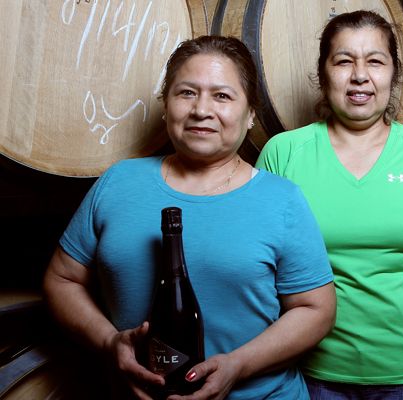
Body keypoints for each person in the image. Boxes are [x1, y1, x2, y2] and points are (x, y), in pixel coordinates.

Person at [42, 36, 336, 400]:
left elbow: (316, 310)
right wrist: (108, 342)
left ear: (250, 115)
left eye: (222, 96)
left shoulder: (281, 199)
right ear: (166, 105)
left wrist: (238, 365)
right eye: (186, 93)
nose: (201, 110)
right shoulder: (119, 182)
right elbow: (62, 279)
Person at [257, 10, 403, 399]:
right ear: (323, 71)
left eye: (375, 62)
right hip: (313, 373)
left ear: (394, 74)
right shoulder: (283, 154)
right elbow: (259, 262)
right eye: (344, 61)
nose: (360, 75)